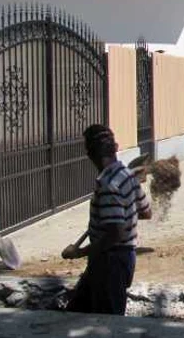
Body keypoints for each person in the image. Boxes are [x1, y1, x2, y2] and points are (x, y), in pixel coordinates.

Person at [62, 124, 152, 315]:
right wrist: (125, 208)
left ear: (90, 153)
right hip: (119, 259)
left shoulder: (107, 185)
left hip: (110, 264)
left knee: (109, 323)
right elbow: (146, 212)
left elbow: (115, 233)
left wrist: (79, 252)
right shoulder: (127, 176)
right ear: (116, 147)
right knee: (76, 311)